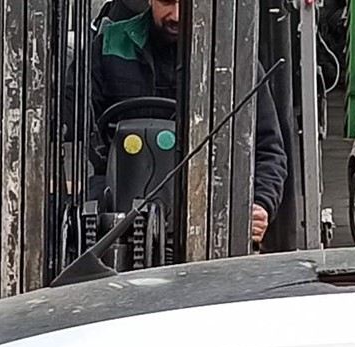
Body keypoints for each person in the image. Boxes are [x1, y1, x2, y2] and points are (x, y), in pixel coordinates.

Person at [94, 0, 291, 244]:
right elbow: (74, 131)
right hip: (118, 209)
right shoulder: (109, 47)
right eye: (167, 1)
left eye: (187, 3)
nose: (176, 14)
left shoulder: (233, 57)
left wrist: (260, 203)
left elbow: (268, 148)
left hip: (209, 213)